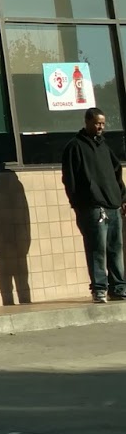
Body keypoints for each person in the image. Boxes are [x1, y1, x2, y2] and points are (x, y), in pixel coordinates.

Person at [61, 106, 126, 303]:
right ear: (87, 121)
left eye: (103, 124)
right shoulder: (75, 147)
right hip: (92, 207)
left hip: (113, 205)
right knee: (97, 249)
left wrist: (122, 198)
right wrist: (78, 204)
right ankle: (99, 289)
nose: (101, 127)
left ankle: (118, 287)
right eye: (97, 123)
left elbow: (117, 172)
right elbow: (70, 179)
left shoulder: (104, 147)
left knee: (115, 248)